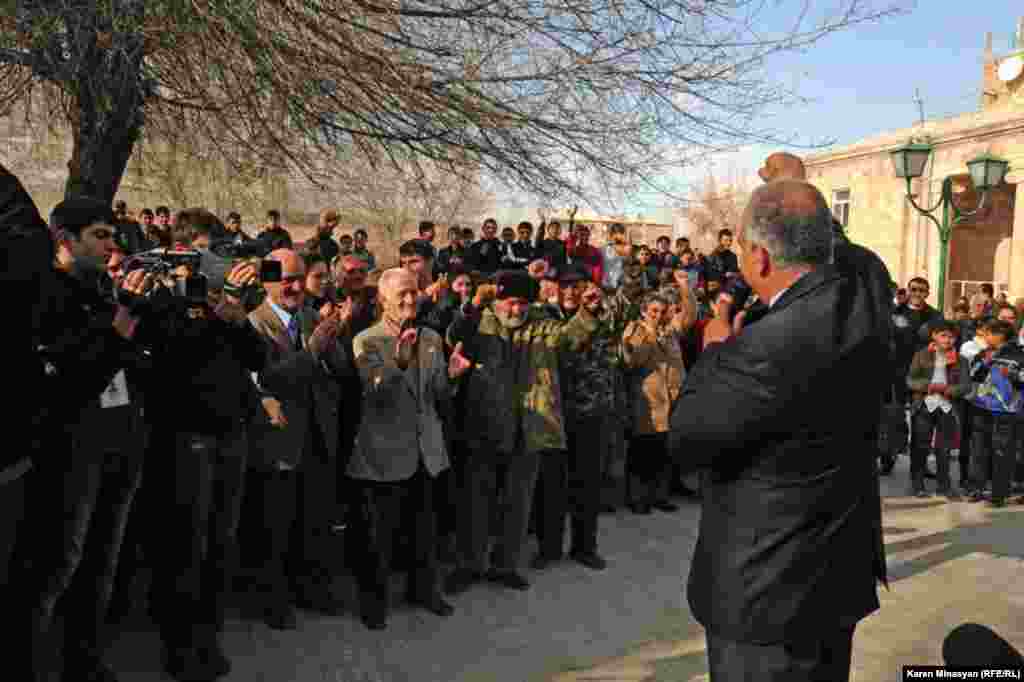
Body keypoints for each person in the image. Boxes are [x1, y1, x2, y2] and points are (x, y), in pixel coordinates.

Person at [668, 178, 888, 682]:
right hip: (833, 586)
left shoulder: (761, 349)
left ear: (760, 259)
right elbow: (858, 263)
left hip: (768, 603)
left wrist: (715, 350)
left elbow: (687, 441)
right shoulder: (865, 306)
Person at [445, 270, 602, 595]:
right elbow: (454, 335)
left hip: (529, 430)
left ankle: (505, 565)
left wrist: (587, 312)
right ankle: (469, 564)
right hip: (484, 425)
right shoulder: (481, 320)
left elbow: (568, 338)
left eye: (522, 304)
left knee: (518, 502)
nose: (516, 310)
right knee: (476, 501)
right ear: (498, 300)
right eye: (510, 303)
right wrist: (472, 305)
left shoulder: (541, 323)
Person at [347, 268, 471, 629]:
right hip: (383, 452)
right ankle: (374, 603)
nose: (408, 299)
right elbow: (374, 392)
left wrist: (452, 375)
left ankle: (425, 591)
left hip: (426, 452)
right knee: (379, 537)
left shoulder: (431, 336)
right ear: (383, 298)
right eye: (400, 293)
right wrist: (399, 361)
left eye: (413, 292)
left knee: (424, 530)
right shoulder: (366, 340)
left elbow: (437, 394)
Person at [248, 249, 353, 628]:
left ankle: (311, 588)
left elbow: (339, 370)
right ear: (267, 281)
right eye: (285, 279)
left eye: (298, 278)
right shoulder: (254, 324)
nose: (294, 286)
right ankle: (271, 599)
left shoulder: (311, 317)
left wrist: (334, 339)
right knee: (275, 524)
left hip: (318, 435)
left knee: (314, 519)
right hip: (279, 438)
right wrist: (312, 352)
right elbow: (270, 378)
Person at [906, 320, 970, 499]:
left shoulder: (961, 360)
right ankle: (917, 483)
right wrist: (928, 386)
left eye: (951, 337)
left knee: (944, 448)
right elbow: (911, 380)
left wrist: (947, 389)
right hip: (924, 405)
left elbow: (966, 386)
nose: (948, 340)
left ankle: (944, 484)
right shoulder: (922, 355)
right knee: (920, 445)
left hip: (947, 406)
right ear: (934, 335)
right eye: (943, 335)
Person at [966, 319, 1024, 507]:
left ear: (1000, 335)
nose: (985, 336)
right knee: (979, 450)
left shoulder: (1018, 355)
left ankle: (999, 493)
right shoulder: (983, 353)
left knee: (1001, 452)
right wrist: (985, 362)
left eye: (989, 333)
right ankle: (976, 488)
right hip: (982, 407)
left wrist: (1013, 374)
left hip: (1006, 410)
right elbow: (974, 374)